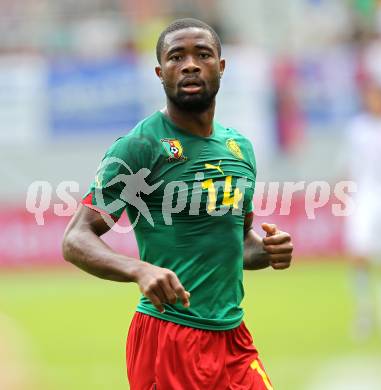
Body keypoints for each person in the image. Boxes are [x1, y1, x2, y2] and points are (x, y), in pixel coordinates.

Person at [62, 18, 293, 389]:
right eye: (176, 57)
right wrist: (140, 270)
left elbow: (241, 244)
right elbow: (76, 238)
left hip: (233, 339)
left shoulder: (240, 149)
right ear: (160, 72)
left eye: (202, 55)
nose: (189, 64)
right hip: (168, 338)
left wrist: (267, 249)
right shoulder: (141, 146)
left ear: (220, 66)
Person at [345, 79, 381, 340]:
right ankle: (364, 312)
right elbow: (349, 164)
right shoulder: (357, 129)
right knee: (359, 255)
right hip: (364, 197)